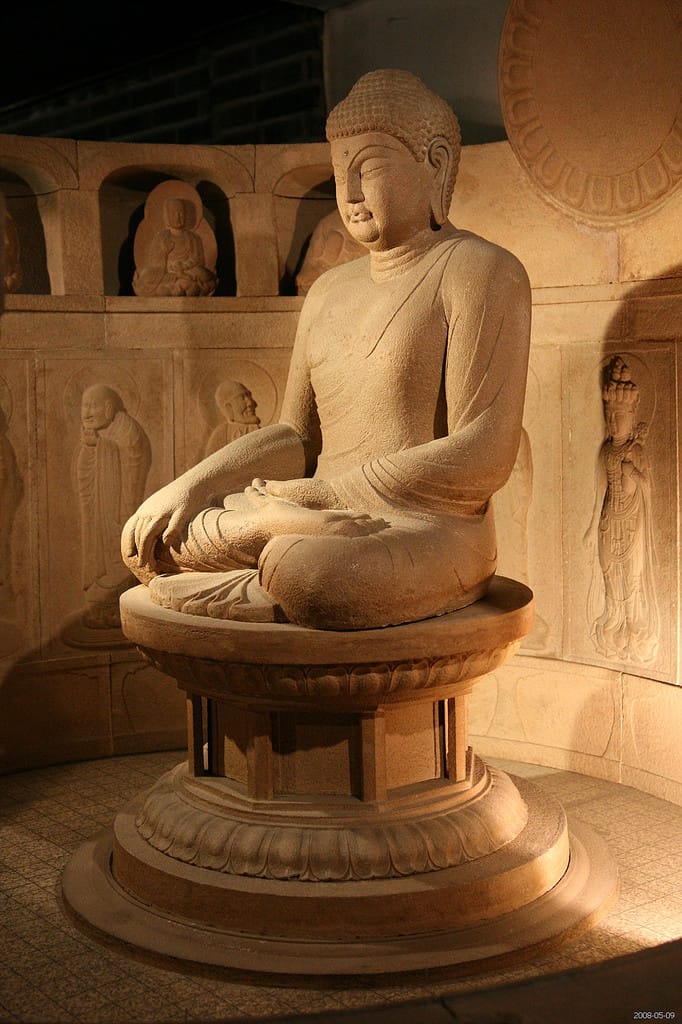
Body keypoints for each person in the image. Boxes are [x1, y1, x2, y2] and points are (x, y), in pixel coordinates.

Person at [122, 69, 531, 630]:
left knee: (315, 578)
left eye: (370, 167)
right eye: (342, 171)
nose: (352, 191)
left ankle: (276, 544)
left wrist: (325, 493)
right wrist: (193, 485)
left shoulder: (479, 271)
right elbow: (297, 434)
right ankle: (273, 532)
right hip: (311, 510)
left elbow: (485, 452)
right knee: (152, 542)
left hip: (424, 525)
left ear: (434, 164)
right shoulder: (328, 290)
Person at [585, 356, 659, 663]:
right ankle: (613, 621)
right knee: (609, 574)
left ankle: (633, 624)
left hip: (632, 523)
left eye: (620, 416)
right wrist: (592, 528)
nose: (614, 423)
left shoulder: (636, 451)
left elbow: (649, 488)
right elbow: (599, 490)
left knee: (632, 575)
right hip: (608, 520)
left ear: (632, 414)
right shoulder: (605, 451)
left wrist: (635, 475)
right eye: (610, 416)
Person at [76, 385, 151, 629]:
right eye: (84, 406)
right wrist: (90, 448)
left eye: (92, 406)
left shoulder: (126, 429)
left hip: (120, 508)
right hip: (98, 510)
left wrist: (103, 447)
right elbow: (84, 476)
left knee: (119, 551)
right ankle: (99, 605)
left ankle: (117, 605)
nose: (86, 412)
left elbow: (135, 463)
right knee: (100, 548)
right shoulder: (94, 433)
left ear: (109, 408)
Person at [133, 197, 217, 297]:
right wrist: (164, 253)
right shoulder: (161, 236)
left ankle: (179, 284)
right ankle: (183, 283)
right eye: (174, 213)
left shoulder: (193, 237)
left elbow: (197, 259)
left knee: (204, 274)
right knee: (146, 276)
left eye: (181, 213)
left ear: (186, 215)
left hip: (187, 270)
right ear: (167, 216)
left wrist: (183, 266)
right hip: (165, 271)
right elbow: (153, 261)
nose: (178, 217)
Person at [204, 381, 261, 457]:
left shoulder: (258, 431)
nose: (251, 403)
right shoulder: (221, 433)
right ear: (229, 407)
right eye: (243, 398)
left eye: (249, 397)